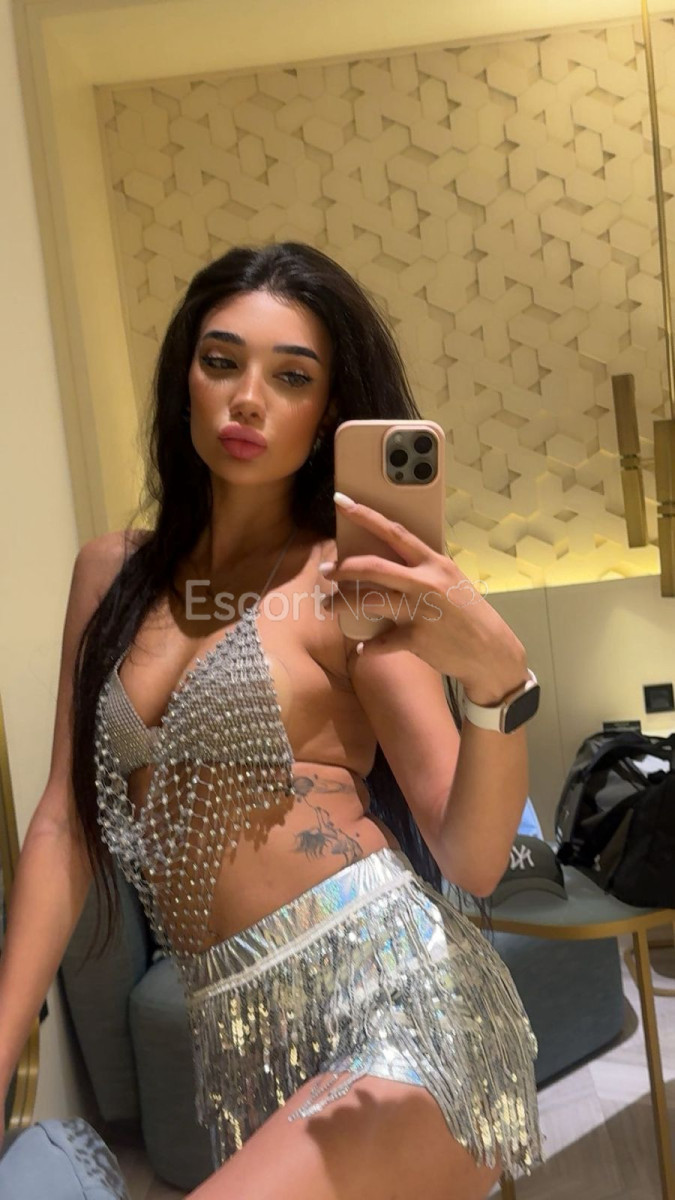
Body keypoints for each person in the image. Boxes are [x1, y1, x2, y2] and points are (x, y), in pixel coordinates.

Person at [0, 242, 544, 1200]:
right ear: (185, 379)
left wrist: (498, 686)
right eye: (221, 362)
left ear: (326, 412)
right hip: (242, 1040)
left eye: (290, 377)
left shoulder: (348, 585)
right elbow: (60, 826)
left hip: (401, 1007)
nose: (247, 398)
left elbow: (471, 858)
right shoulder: (109, 575)